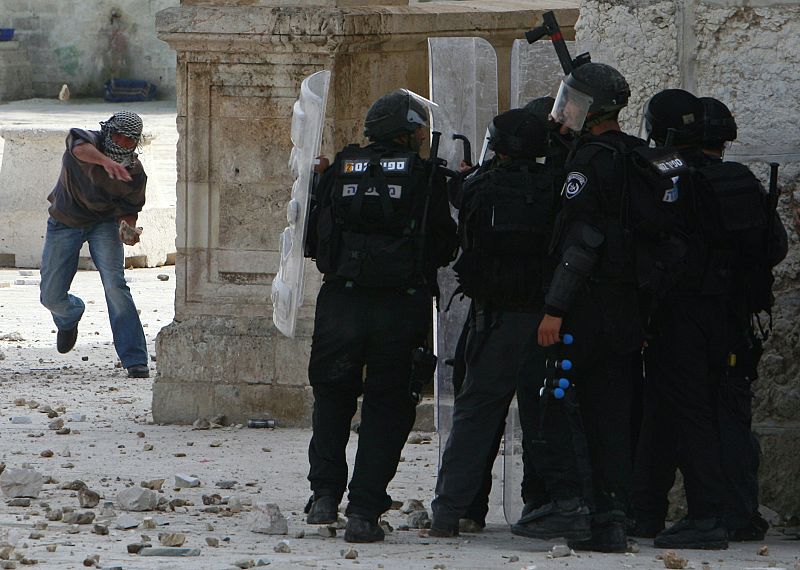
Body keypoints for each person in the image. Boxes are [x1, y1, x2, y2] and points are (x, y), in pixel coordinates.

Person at [631, 91, 787, 548]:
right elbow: (773, 247)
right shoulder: (740, 181)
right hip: (733, 318)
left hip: (683, 315)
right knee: (723, 413)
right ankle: (730, 513)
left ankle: (705, 515)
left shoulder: (674, 180)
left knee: (686, 412)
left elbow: (657, 249)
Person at [302, 89, 458, 543]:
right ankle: (365, 511)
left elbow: (313, 241)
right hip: (400, 305)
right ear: (411, 134)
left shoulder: (338, 169)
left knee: (332, 398)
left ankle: (325, 496)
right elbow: (444, 247)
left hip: (340, 304)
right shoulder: (428, 176)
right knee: (388, 407)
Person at [512, 63, 652, 552]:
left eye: (572, 100)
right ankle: (614, 519)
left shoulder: (586, 162)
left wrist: (554, 308)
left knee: (566, 406)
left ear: (590, 108)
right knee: (615, 412)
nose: (565, 107)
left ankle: (573, 509)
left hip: (587, 308)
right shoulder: (640, 157)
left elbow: (581, 244)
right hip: (631, 309)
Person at [428, 108, 559, 538]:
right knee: (548, 418)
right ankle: (546, 506)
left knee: (474, 418)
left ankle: (449, 512)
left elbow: (462, 202)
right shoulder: (557, 186)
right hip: (547, 323)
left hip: (493, 322)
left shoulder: (477, 187)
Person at [40, 111, 150, 378]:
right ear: (108, 132)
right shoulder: (87, 140)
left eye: (130, 141)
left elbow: (129, 210)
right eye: (119, 137)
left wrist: (128, 230)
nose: (123, 143)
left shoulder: (134, 172)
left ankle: (135, 359)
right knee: (51, 295)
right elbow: (79, 150)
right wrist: (106, 162)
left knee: (115, 286)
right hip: (65, 221)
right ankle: (70, 316)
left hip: (105, 224)